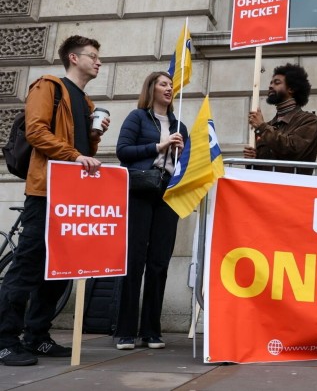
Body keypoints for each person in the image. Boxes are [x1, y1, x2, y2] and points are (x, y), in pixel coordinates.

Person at [0, 35, 108, 366]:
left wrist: (93, 137)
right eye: (92, 56)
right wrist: (75, 154)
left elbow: (83, 153)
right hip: (45, 192)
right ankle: (5, 339)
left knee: (58, 271)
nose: (98, 61)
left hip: (71, 197)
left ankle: (37, 336)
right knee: (28, 266)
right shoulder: (47, 87)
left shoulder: (86, 103)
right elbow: (35, 131)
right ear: (74, 58)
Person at [114, 72, 188, 351]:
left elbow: (186, 164)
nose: (169, 88)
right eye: (163, 84)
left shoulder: (180, 124)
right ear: (151, 88)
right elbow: (123, 151)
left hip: (168, 194)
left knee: (159, 262)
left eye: (171, 85)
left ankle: (151, 330)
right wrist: (159, 145)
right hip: (140, 191)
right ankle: (125, 330)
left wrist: (184, 153)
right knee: (134, 260)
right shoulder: (138, 118)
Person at [244, 63, 317, 175]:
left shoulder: (309, 121)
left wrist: (262, 127)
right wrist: (252, 160)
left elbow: (293, 150)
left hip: (292, 189)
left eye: (277, 83)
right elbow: (258, 170)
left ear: (291, 89)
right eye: (270, 83)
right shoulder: (266, 126)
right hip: (265, 190)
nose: (270, 86)